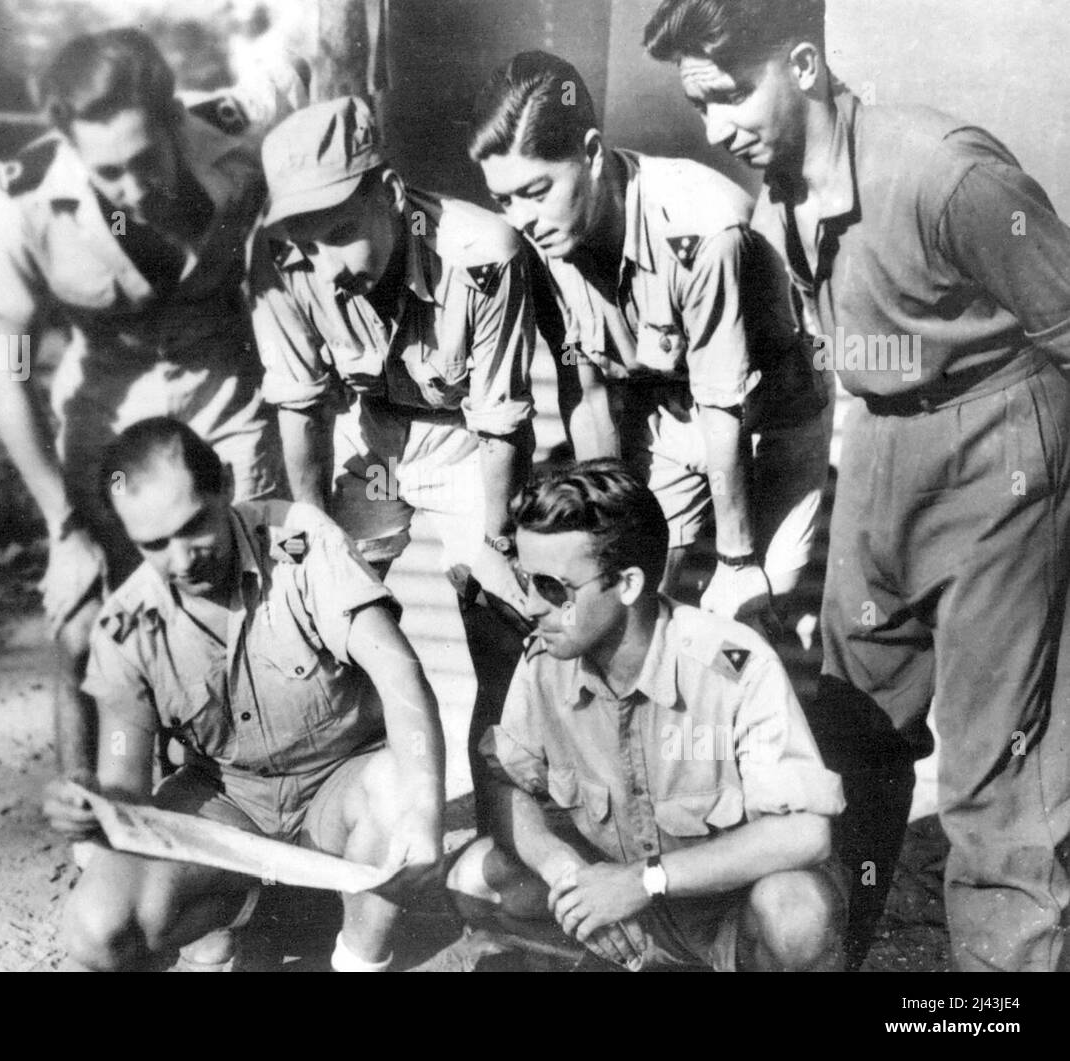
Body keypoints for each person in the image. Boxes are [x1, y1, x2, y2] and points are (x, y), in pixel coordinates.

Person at [643, 0, 1070, 971]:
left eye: (726, 97)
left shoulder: (942, 172)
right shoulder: (776, 200)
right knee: (846, 728)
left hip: (999, 450)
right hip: (882, 450)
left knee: (994, 780)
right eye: (696, 105)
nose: (715, 131)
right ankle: (821, 951)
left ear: (801, 63)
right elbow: (849, 365)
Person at [0, 29, 302, 786]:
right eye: (106, 170)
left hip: (226, 400)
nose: (132, 187)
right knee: (85, 620)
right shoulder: (23, 195)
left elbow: (295, 81)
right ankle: (98, 824)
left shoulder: (238, 144)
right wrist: (63, 523)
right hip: (109, 417)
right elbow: (1, 370)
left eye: (145, 159)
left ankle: (257, 821)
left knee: (257, 606)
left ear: (173, 119)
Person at [42, 417, 445, 972]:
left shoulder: (301, 542)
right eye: (154, 544)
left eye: (194, 527)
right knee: (100, 928)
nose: (183, 559)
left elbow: (400, 675)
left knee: (397, 787)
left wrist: (424, 808)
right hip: (230, 803)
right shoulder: (128, 625)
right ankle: (237, 908)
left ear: (227, 485)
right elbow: (125, 786)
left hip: (339, 784)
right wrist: (91, 804)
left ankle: (359, 959)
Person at [249, 96, 539, 829]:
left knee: (502, 612)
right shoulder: (283, 268)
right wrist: (313, 520)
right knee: (316, 605)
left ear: (391, 194)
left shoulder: (483, 254)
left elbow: (503, 419)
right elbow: (300, 401)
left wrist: (498, 541)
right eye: (303, 244)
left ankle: (509, 829)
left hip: (466, 442)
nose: (325, 267)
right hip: (371, 435)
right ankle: (345, 811)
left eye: (341, 234)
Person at [467, 51, 831, 632]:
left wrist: (738, 561)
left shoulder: (702, 231)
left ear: (590, 154)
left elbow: (725, 407)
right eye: (504, 200)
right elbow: (585, 397)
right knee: (631, 602)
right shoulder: (543, 246)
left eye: (536, 191)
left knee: (758, 609)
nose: (523, 219)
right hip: (670, 416)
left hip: (771, 421)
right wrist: (605, 535)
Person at [446, 460, 846, 971]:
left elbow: (806, 834)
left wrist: (645, 880)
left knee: (796, 914)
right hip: (623, 908)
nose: (530, 604)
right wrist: (565, 872)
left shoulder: (732, 666)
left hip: (727, 918)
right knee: (477, 880)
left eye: (551, 587)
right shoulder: (546, 662)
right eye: (524, 579)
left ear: (629, 584)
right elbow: (508, 780)